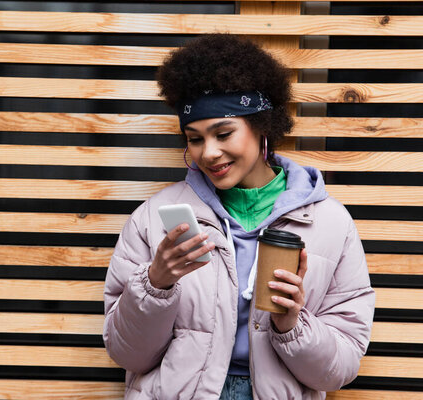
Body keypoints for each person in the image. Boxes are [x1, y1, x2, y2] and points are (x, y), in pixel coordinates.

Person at [103, 33, 375, 399]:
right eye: (195, 138)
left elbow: (339, 370)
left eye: (224, 133)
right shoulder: (152, 220)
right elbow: (127, 353)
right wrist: (156, 284)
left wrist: (292, 323)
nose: (209, 152)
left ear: (262, 125)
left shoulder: (331, 224)